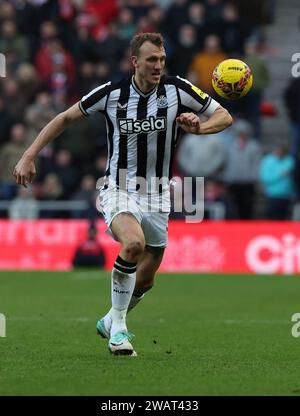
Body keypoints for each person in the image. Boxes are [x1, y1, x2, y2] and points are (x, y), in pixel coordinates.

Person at [13, 32, 232, 356]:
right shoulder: (112, 94)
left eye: (161, 59)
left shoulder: (178, 89)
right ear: (135, 62)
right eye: (151, 60)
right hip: (119, 187)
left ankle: (111, 318)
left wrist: (198, 126)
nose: (158, 66)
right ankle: (119, 331)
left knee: (146, 280)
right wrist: (29, 155)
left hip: (157, 194)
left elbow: (224, 116)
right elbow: (64, 118)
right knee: (133, 244)